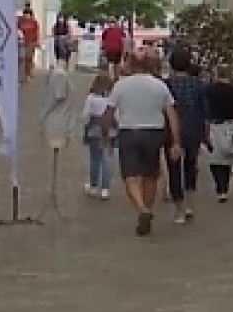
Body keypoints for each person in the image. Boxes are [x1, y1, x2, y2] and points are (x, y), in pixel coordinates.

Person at [101, 51, 180, 237]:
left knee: (130, 176)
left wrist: (105, 134)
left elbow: (109, 112)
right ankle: (148, 207)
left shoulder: (121, 86)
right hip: (154, 133)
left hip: (129, 133)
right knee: (151, 175)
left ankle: (142, 208)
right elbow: (172, 115)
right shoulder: (159, 86)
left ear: (131, 65)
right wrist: (176, 141)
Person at [162, 48, 208, 223]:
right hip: (193, 128)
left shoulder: (166, 84)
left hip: (171, 130)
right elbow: (204, 109)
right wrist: (205, 132)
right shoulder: (198, 84)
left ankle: (179, 209)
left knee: (174, 169)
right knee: (190, 165)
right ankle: (190, 203)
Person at [203, 65, 233, 204]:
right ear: (229, 75)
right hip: (232, 127)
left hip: (214, 125)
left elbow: (203, 109)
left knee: (215, 159)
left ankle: (220, 188)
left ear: (216, 74)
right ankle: (224, 186)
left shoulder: (208, 91)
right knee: (228, 157)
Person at [81, 72, 114, 200]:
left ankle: (94, 186)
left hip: (94, 128)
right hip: (109, 128)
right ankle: (105, 188)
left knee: (95, 159)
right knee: (107, 159)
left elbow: (85, 115)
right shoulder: (111, 98)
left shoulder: (91, 98)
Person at [16, 7, 40, 83]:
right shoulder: (20, 22)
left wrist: (37, 41)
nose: (26, 16)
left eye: (28, 14)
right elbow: (17, 30)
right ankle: (22, 74)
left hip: (31, 42)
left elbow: (37, 32)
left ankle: (28, 73)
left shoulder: (34, 22)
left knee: (29, 58)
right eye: (25, 14)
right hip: (22, 42)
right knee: (22, 58)